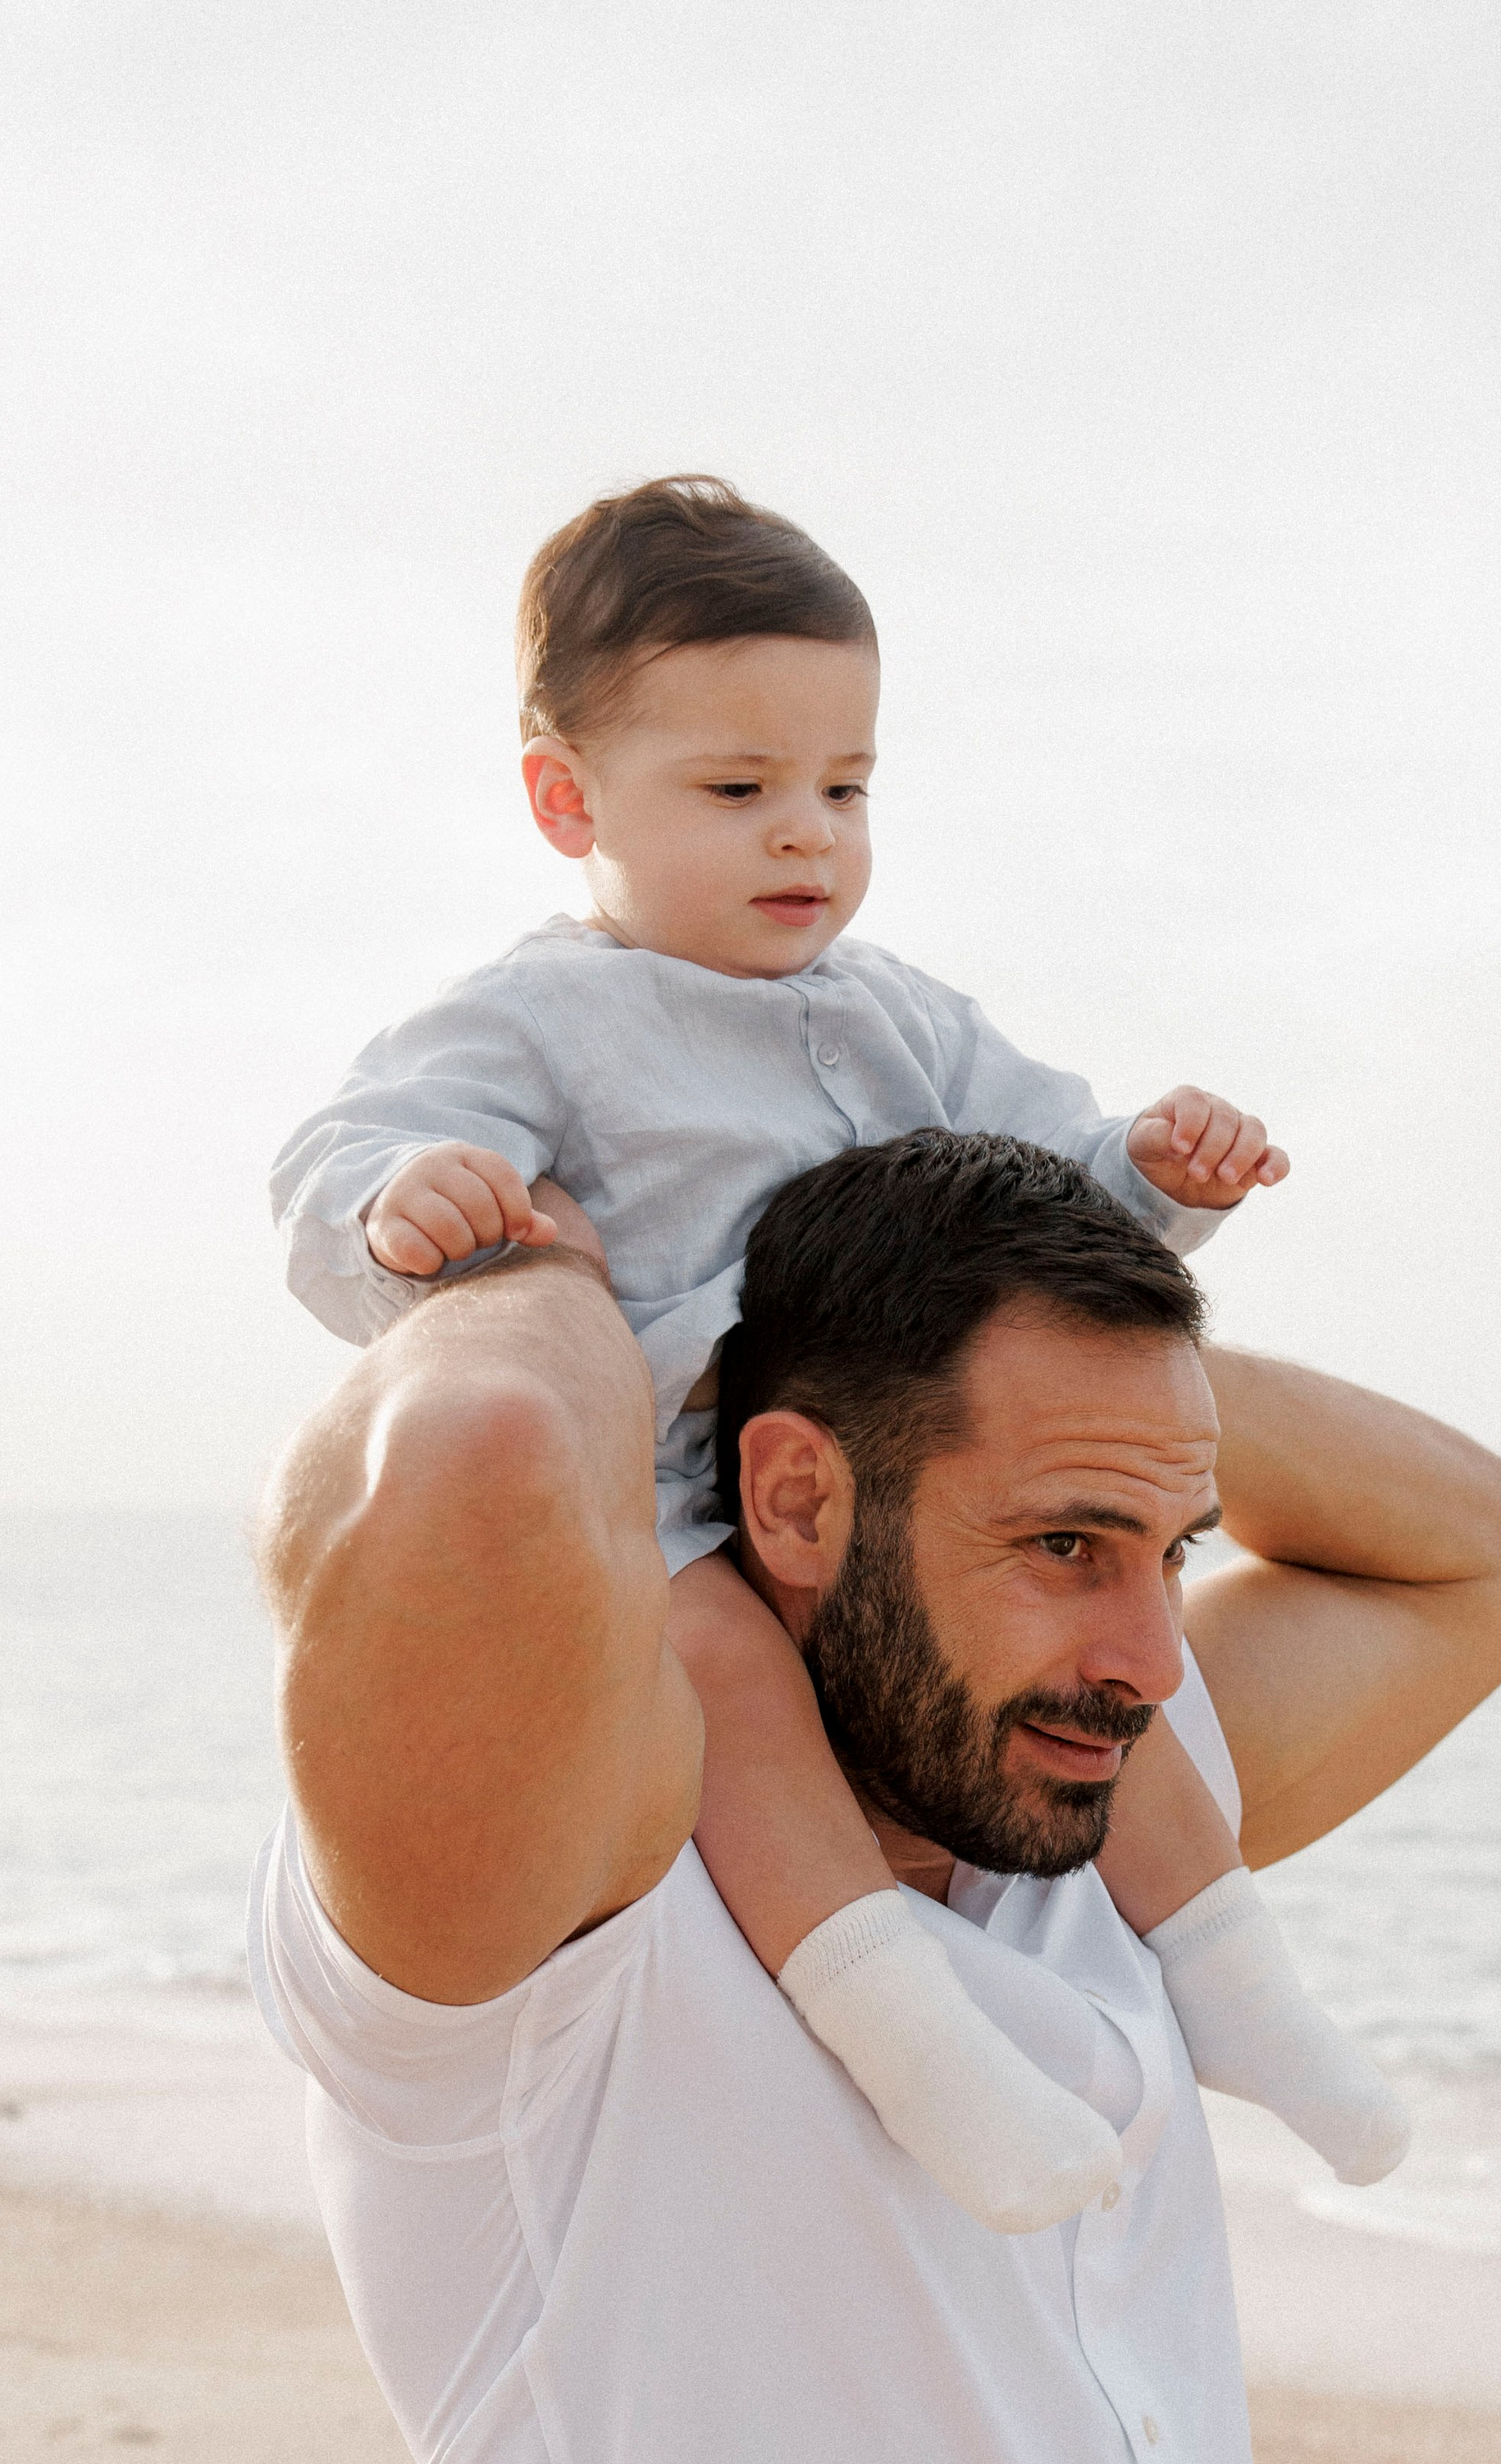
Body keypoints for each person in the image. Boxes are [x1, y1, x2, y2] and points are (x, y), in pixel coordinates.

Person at [250, 1126, 1501, 2464]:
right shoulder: (563, 1948)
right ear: (789, 1492)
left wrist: (1077, 1392)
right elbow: (477, 1472)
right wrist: (581, 1288)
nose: (1141, 1653)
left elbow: (1493, 1536)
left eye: (1168, 1551)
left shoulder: (1076, 1806)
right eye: (1059, 1545)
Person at [268, 472, 1403, 2234]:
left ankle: (1242, 1991)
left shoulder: (898, 1015)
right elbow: (343, 1154)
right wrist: (400, 1200)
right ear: (567, 797)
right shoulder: (536, 1014)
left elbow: (1051, 1185)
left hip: (899, 1468)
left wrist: (1157, 1176)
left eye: (845, 788)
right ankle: (919, 2053)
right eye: (738, 791)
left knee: (1128, 1673)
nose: (808, 836)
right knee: (731, 1692)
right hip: (679, 1491)